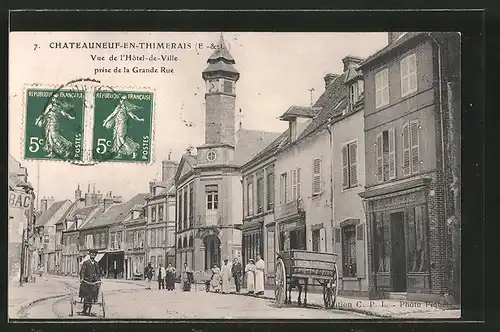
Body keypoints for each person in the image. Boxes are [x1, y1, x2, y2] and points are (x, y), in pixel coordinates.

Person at [78, 249, 101, 316]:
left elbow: (98, 273)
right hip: (87, 281)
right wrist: (82, 278)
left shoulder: (96, 263)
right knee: (86, 295)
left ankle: (94, 300)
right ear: (89, 254)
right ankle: (84, 310)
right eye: (91, 254)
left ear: (95, 255)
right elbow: (82, 272)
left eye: (94, 254)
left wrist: (99, 280)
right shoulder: (86, 263)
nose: (93, 255)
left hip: (93, 282)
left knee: (94, 292)